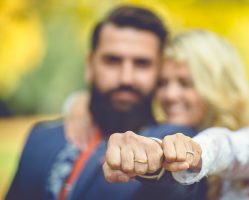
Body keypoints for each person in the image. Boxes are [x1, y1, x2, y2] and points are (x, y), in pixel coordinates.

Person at [6, 6, 202, 200]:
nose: (126, 78)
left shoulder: (180, 140)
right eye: (112, 61)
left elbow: (178, 182)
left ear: (159, 72)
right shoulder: (40, 138)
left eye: (142, 64)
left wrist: (159, 163)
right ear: (90, 65)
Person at [102, 30, 249, 199]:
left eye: (185, 83)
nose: (170, 95)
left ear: (217, 86)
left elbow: (228, 149)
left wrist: (194, 151)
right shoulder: (164, 130)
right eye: (162, 83)